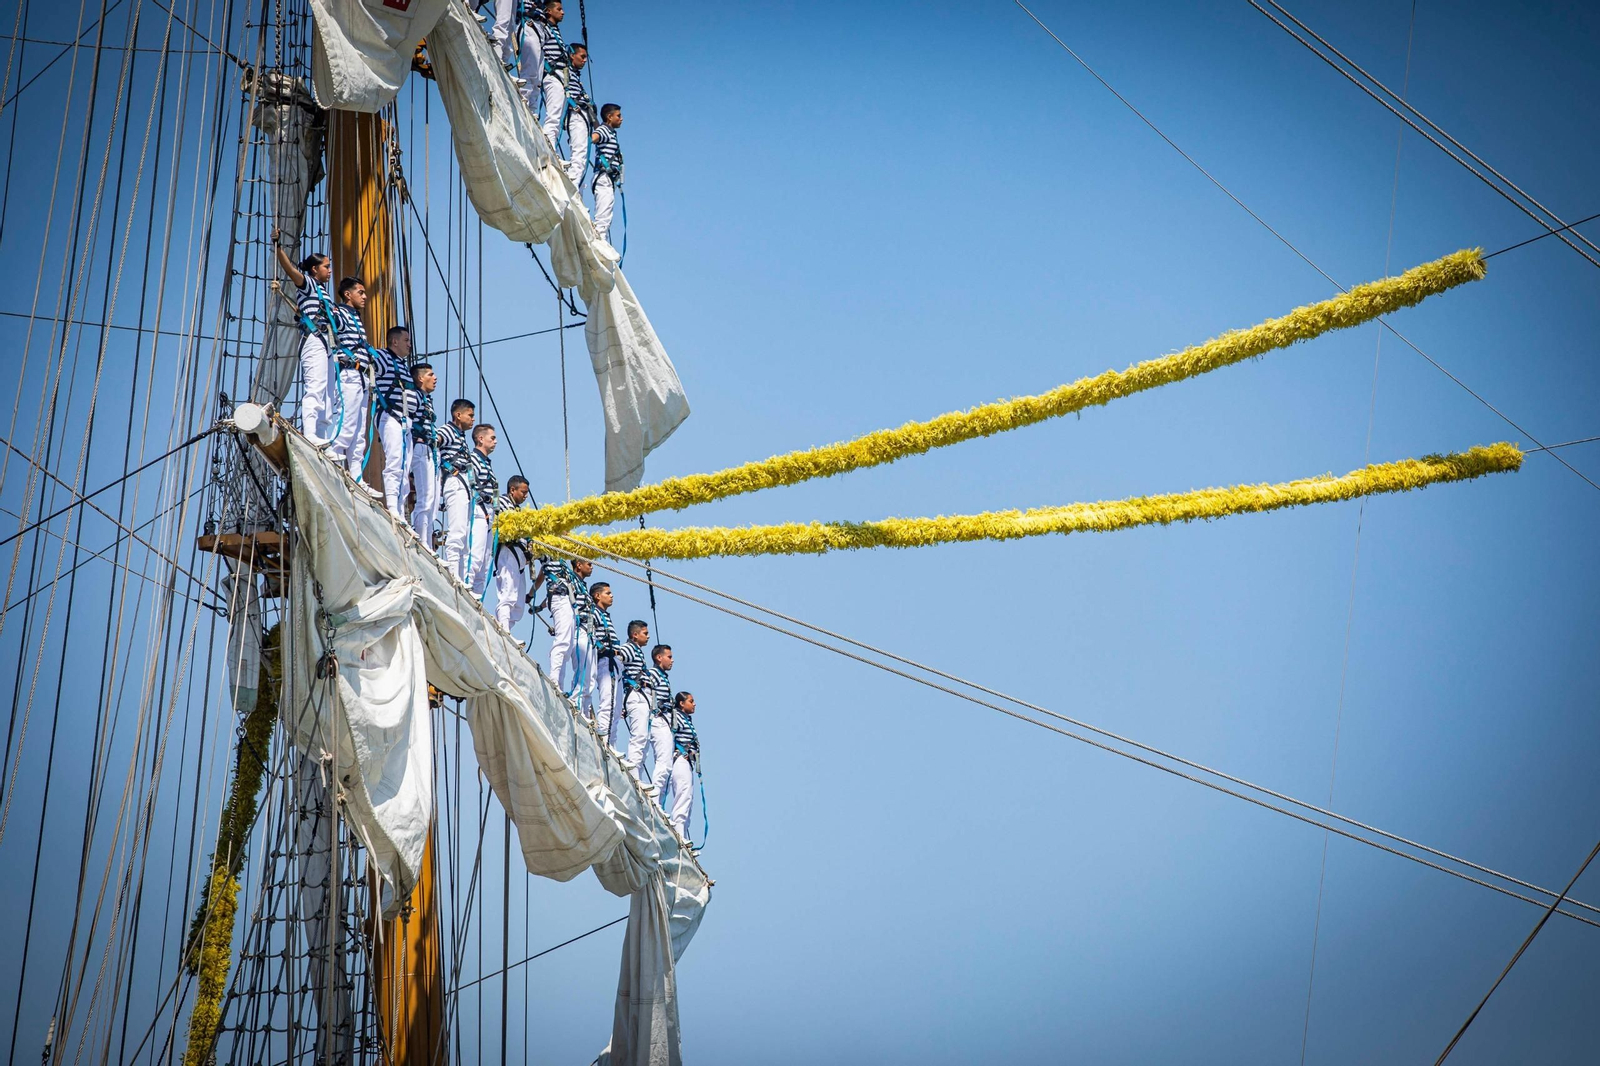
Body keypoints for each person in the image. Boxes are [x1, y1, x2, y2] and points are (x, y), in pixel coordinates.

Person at [272, 230, 337, 444]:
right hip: (314, 340)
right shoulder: (308, 284)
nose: (329, 270)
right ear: (314, 269)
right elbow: (290, 270)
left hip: (328, 343)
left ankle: (323, 436)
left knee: (329, 395)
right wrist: (278, 247)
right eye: (326, 267)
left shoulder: (323, 291)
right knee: (316, 388)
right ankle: (310, 433)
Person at [327, 276, 380, 488]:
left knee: (359, 432)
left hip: (362, 377)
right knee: (346, 422)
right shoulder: (339, 313)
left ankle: (357, 476)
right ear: (348, 294)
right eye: (361, 292)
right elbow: (327, 324)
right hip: (348, 374)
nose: (365, 297)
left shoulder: (356, 317)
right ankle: (334, 460)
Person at [372, 327, 426, 520]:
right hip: (390, 416)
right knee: (395, 461)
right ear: (394, 342)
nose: (409, 344)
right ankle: (392, 506)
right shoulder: (383, 357)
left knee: (404, 466)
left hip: (405, 422)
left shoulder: (402, 365)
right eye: (406, 340)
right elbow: (369, 361)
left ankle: (400, 507)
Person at [490, 476, 535, 635]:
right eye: (523, 492)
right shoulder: (501, 503)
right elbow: (496, 522)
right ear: (512, 490)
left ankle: (505, 627)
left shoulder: (518, 510)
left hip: (521, 558)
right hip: (508, 552)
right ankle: (503, 629)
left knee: (519, 605)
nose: (525, 496)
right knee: (507, 593)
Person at [437, 399, 477, 578]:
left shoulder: (460, 436)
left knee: (464, 534)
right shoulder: (448, 431)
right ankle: (453, 573)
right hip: (455, 482)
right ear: (458, 415)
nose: (473, 419)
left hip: (464, 485)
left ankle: (459, 574)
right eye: (470, 415)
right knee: (457, 530)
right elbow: (434, 440)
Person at [403, 363, 441, 545]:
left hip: (428, 450)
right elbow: (405, 419)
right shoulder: (414, 396)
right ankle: (423, 541)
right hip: (419, 448)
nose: (435, 378)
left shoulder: (427, 399)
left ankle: (426, 538)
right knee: (424, 499)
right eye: (431, 375)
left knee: (430, 500)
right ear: (420, 378)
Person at [544, 555, 592, 696]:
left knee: (567, 646)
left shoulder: (565, 564)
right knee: (563, 642)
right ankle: (554, 678)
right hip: (560, 598)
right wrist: (532, 593)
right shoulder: (549, 551)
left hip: (568, 602)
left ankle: (559, 682)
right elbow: (543, 571)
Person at [610, 619, 652, 775]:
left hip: (641, 697)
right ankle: (634, 773)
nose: (648, 637)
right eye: (645, 633)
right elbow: (618, 656)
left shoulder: (637, 650)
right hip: (636, 695)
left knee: (644, 740)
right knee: (639, 736)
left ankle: (637, 773)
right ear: (635, 635)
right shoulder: (630, 648)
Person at [660, 691, 699, 841]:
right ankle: (679, 831)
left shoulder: (687, 719)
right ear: (682, 704)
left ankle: (683, 830)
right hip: (681, 761)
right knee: (683, 795)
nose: (694, 704)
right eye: (691, 701)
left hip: (687, 763)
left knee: (688, 797)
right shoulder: (676, 717)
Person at [464, 423, 498, 595]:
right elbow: (471, 484)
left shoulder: (486, 463)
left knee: (484, 563)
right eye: (492, 438)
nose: (495, 441)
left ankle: (477, 598)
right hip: (479, 511)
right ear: (480, 438)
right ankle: (467, 590)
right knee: (475, 556)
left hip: (489, 514)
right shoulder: (473, 459)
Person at [582, 580, 621, 733]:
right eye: (608, 593)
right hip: (605, 660)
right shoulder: (594, 613)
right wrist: (603, 648)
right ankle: (604, 732)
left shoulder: (605, 615)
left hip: (614, 661)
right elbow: (589, 631)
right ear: (597, 596)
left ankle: (610, 739)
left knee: (615, 706)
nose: (611, 596)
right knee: (607, 700)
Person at [643, 643, 676, 795]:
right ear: (659, 657)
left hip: (665, 721)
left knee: (666, 765)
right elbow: (645, 693)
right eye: (669, 657)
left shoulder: (663, 677)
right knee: (664, 763)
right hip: (658, 719)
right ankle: (655, 797)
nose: (672, 660)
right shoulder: (652, 674)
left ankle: (659, 800)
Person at [590, 103, 623, 245]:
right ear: (609, 117)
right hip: (604, 177)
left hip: (607, 179)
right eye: (618, 116)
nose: (621, 119)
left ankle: (601, 239)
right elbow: (594, 137)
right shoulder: (604, 129)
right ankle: (599, 242)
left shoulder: (610, 132)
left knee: (606, 211)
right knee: (604, 213)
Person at [562, 42, 594, 185]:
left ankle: (577, 189)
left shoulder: (575, 77)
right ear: (572, 55)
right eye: (582, 56)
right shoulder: (565, 71)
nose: (585, 60)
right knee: (579, 155)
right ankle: (573, 187)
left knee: (582, 157)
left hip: (582, 116)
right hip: (576, 115)